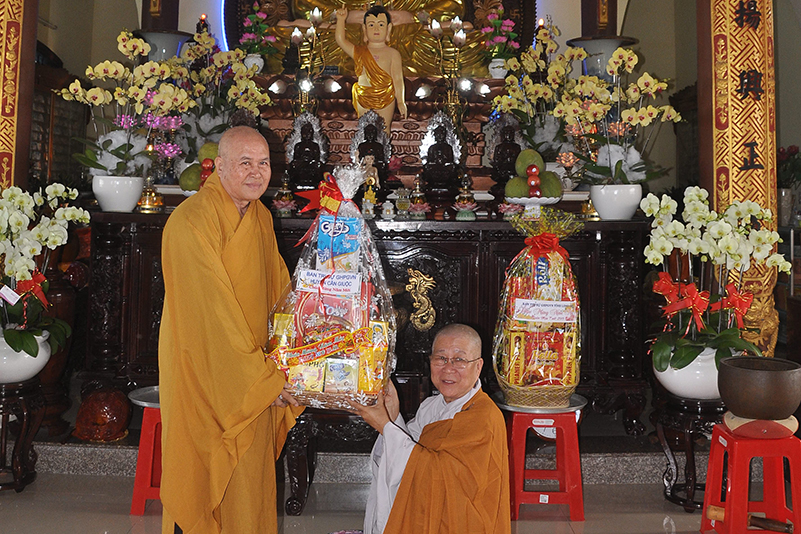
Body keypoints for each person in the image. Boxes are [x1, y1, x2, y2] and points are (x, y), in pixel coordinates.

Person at [159, 126, 303, 534]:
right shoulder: (190, 222)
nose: (256, 172)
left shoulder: (260, 216)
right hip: (207, 370)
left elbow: (279, 294)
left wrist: (299, 352)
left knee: (250, 483)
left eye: (264, 163)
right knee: (204, 474)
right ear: (218, 167)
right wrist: (263, 380)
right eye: (245, 163)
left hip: (253, 374)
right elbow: (212, 315)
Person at [351, 323, 511, 534]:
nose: (448, 368)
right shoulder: (432, 405)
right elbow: (412, 450)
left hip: (461, 522)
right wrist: (393, 417)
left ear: (478, 366)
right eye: (440, 358)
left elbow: (446, 480)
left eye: (459, 360)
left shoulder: (483, 417)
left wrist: (386, 426)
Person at [335, 5, 407, 133]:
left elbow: (398, 79)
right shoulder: (359, 52)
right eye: (371, 25)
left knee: (384, 130)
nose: (376, 29)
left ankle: (384, 147)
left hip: (386, 97)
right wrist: (341, 20)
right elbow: (341, 40)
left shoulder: (393, 53)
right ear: (364, 29)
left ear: (389, 28)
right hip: (363, 96)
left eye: (381, 24)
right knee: (364, 130)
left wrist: (401, 101)